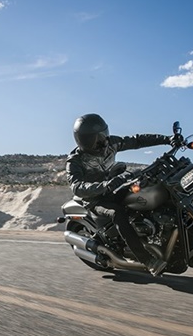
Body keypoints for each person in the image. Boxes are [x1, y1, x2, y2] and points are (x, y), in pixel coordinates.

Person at [65, 113, 172, 276]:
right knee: (117, 213)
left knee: (145, 190)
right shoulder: (75, 161)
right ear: (85, 140)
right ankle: (147, 260)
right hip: (95, 199)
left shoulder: (111, 143)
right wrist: (103, 186)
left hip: (115, 188)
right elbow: (77, 187)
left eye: (103, 135)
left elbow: (137, 140)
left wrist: (167, 139)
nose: (103, 141)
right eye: (98, 138)